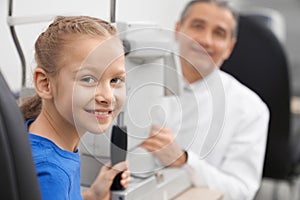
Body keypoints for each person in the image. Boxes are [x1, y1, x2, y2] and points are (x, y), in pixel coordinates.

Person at [140, 1, 270, 200]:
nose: (206, 40)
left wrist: (184, 160)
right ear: (177, 30)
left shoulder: (251, 109)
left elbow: (241, 191)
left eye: (219, 33)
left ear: (229, 47)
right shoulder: (138, 84)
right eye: (198, 26)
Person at [20, 16, 130, 200]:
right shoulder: (51, 175)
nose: (108, 96)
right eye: (88, 79)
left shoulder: (48, 143)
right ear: (45, 84)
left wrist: (93, 195)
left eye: (115, 80)